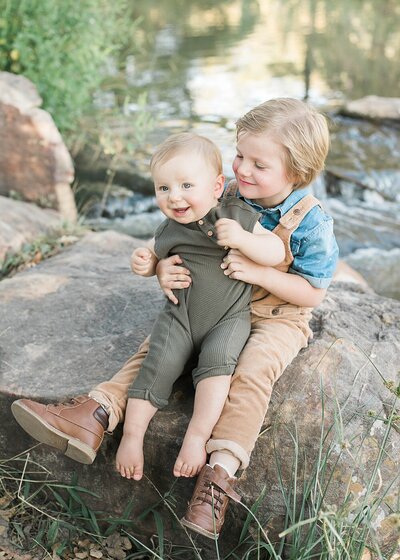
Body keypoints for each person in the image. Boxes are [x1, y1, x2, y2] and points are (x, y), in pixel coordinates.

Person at [12, 98, 339, 540]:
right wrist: (164, 268)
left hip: (277, 313)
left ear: (296, 173)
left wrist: (261, 272)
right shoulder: (226, 190)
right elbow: (183, 235)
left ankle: (219, 473)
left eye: (258, 164)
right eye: (240, 155)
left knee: (253, 370)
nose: (242, 169)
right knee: (160, 344)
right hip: (216, 297)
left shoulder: (311, 222)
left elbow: (313, 292)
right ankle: (98, 411)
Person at [114, 132, 284, 480]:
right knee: (157, 368)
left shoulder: (236, 214)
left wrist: (244, 239)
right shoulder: (169, 228)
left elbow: (276, 252)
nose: (174, 196)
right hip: (180, 316)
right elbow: (154, 254)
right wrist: (147, 263)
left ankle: (196, 437)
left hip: (228, 318)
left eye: (186, 185)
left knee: (217, 369)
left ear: (217, 186)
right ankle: (132, 437)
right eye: (163, 188)